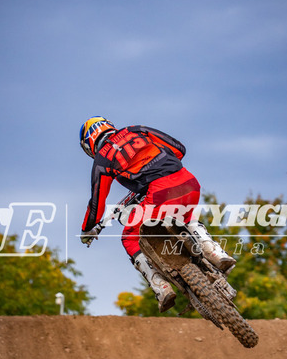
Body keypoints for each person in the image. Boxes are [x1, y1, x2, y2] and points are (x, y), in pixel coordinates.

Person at [79, 117, 235, 312]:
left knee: (129, 237)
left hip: (159, 191)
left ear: (89, 144)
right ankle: (214, 252)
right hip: (188, 182)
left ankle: (161, 287)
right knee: (186, 217)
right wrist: (160, 165)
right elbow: (179, 148)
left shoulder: (102, 160)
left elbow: (96, 203)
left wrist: (87, 229)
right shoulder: (136, 129)